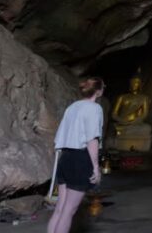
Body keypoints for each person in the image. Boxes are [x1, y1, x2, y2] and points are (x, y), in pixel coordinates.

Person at [47, 77, 105, 233]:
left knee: (60, 209)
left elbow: (60, 136)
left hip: (65, 158)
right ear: (98, 91)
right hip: (80, 159)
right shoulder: (94, 108)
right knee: (68, 211)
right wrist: (95, 167)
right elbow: (92, 139)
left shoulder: (72, 107)